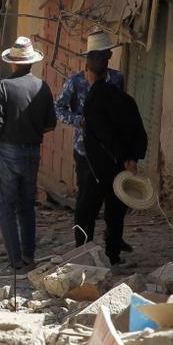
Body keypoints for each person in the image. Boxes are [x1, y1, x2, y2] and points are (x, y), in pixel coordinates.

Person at [0, 37, 57, 277]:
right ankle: (28, 257)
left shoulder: (3, 85)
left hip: (7, 152)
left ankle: (14, 261)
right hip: (32, 152)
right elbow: (49, 125)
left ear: (13, 63)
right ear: (31, 63)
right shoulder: (42, 87)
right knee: (27, 206)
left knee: (5, 207)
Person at [55, 30, 128, 252]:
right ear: (87, 58)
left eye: (103, 55)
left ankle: (113, 249)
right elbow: (58, 108)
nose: (99, 59)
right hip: (86, 152)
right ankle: (83, 249)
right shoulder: (75, 82)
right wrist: (79, 121)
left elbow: (123, 109)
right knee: (86, 204)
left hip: (112, 153)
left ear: (108, 56)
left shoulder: (117, 79)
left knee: (116, 203)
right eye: (94, 56)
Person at [82, 50, 148, 266]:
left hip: (97, 166)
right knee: (116, 210)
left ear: (87, 71)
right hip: (121, 166)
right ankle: (113, 254)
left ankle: (83, 253)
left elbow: (103, 134)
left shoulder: (93, 100)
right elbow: (139, 130)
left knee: (86, 210)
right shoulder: (125, 99)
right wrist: (132, 158)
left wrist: (119, 153)